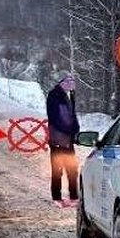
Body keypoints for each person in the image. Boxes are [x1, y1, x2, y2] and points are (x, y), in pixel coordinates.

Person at [45, 72, 81, 207]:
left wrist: (76, 129)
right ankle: (57, 197)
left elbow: (72, 115)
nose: (71, 83)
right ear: (61, 82)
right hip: (58, 140)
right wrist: (70, 130)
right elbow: (57, 118)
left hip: (68, 139)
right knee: (57, 170)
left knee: (72, 169)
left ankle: (74, 196)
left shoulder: (68, 95)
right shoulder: (55, 96)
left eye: (72, 81)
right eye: (68, 81)